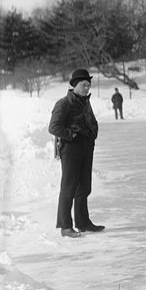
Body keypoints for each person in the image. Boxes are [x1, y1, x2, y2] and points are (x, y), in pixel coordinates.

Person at [48, 69, 105, 238]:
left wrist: (93, 133)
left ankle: (83, 222)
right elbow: (54, 127)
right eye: (83, 85)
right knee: (69, 187)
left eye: (88, 85)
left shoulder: (86, 103)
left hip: (86, 148)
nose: (87, 88)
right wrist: (71, 135)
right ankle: (65, 226)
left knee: (84, 187)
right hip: (71, 149)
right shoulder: (63, 103)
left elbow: (92, 122)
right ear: (74, 85)